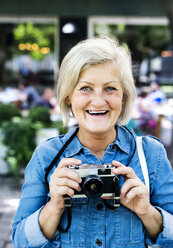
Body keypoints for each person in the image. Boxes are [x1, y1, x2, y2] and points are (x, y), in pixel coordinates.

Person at [12, 37, 173, 248]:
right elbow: (19, 242)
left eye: (110, 89)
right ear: (68, 96)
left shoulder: (151, 154)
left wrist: (147, 211)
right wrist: (54, 206)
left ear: (124, 95)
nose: (98, 101)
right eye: (85, 88)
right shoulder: (47, 156)